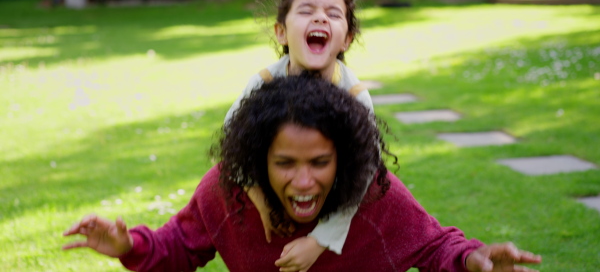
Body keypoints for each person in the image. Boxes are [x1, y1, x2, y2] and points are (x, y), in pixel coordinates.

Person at [63, 74, 542, 272]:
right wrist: (129, 246)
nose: (304, 181)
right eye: (284, 164)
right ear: (257, 160)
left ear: (345, 159)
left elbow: (436, 245)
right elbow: (177, 246)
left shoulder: (374, 198)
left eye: (320, 163)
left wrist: (475, 260)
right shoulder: (227, 195)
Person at [223, 0, 373, 271]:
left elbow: (364, 175)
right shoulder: (263, 84)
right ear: (281, 32)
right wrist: (260, 200)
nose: (320, 16)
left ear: (346, 39)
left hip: (335, 200)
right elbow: (231, 143)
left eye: (333, 14)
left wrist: (318, 242)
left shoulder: (355, 96)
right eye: (306, 11)